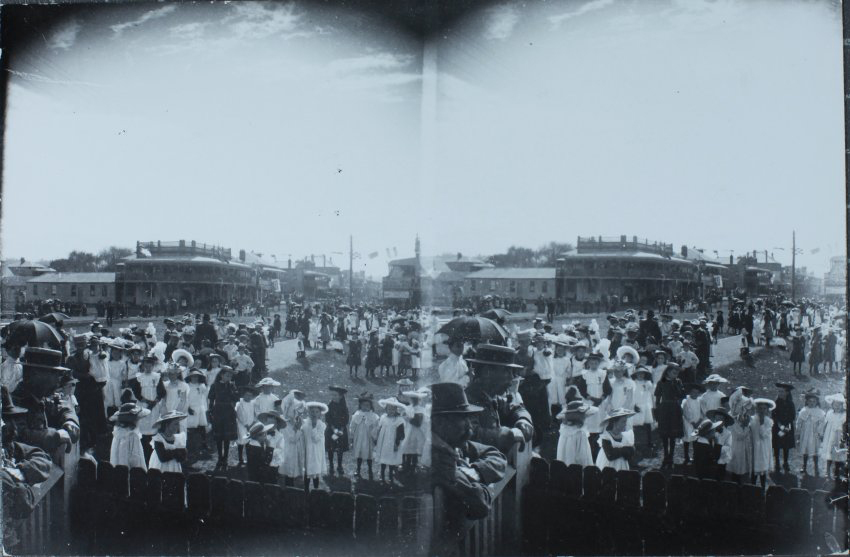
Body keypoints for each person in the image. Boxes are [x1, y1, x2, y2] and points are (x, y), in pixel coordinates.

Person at [430, 382, 507, 555]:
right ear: (438, 422)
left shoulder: (451, 443)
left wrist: (476, 471)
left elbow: (496, 456)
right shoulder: (437, 462)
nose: (470, 427)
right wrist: (485, 485)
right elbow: (480, 503)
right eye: (462, 419)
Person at [463, 344, 534, 454]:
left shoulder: (492, 395)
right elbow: (471, 434)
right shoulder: (468, 400)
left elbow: (515, 408)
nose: (512, 377)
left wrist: (523, 420)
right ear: (487, 372)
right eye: (507, 371)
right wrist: (509, 434)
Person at [1, 387, 53, 527]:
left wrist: (22, 471)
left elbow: (42, 457)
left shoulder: (9, 445)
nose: (12, 428)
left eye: (10, 419)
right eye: (4, 421)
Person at [11, 348, 79, 454]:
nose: (58, 379)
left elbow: (62, 408)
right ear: (33, 374)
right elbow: (20, 435)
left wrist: (70, 421)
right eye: (54, 373)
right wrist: (57, 436)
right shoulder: (15, 402)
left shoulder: (40, 396)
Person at [208, 367, 240, 470]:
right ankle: (219, 458)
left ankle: (225, 458)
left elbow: (236, 398)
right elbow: (211, 399)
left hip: (228, 411)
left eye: (230, 376)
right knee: (219, 436)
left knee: (226, 437)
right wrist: (210, 412)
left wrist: (232, 390)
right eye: (227, 375)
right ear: (221, 375)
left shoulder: (231, 385)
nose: (229, 377)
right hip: (218, 411)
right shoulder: (215, 385)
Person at [654, 363, 684, 469]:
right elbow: (657, 399)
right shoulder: (661, 382)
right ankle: (666, 455)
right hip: (664, 408)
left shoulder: (678, 382)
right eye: (673, 372)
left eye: (677, 372)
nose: (676, 374)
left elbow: (681, 395)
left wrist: (675, 384)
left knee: (673, 434)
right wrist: (657, 412)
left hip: (675, 409)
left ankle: (671, 457)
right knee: (664, 434)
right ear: (668, 371)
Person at [108, 400, 149, 470]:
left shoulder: (118, 433)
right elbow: (135, 458)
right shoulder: (132, 436)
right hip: (131, 471)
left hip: (118, 468)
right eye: (138, 419)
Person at [555, 400, 598, 467]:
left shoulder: (564, 430)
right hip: (577, 468)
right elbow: (583, 455)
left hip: (565, 466)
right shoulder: (580, 433)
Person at [375, 397, 406, 484]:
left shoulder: (399, 420)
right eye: (389, 409)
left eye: (393, 409)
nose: (391, 411)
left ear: (396, 409)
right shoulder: (383, 418)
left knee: (391, 460)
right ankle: (382, 475)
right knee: (383, 459)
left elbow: (401, 433)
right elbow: (379, 428)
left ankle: (391, 477)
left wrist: (397, 443)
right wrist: (377, 438)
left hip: (392, 443)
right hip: (383, 442)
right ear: (386, 409)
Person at [349, 392, 379, 480]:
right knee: (359, 453)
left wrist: (374, 436)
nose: (365, 407)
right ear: (360, 405)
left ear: (371, 406)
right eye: (363, 405)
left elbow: (376, 427)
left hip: (368, 437)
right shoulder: (357, 415)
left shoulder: (373, 416)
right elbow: (352, 426)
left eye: (367, 405)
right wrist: (352, 436)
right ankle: (358, 469)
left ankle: (370, 469)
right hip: (359, 437)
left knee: (369, 454)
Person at [796, 390, 825, 476]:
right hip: (805, 434)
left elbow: (822, 423)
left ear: (817, 402)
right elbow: (799, 422)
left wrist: (819, 432)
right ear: (807, 402)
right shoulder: (803, 411)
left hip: (814, 434)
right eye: (810, 401)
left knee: (815, 451)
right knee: (805, 450)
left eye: (814, 401)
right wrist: (799, 431)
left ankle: (816, 468)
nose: (812, 403)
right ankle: (804, 466)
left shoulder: (820, 412)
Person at [325, 386, 350, 477]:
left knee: (340, 448)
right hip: (331, 430)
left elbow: (346, 419)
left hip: (341, 430)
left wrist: (341, 430)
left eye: (335, 395)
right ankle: (331, 465)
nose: (333, 397)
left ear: (340, 396)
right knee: (331, 448)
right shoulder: (329, 406)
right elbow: (328, 419)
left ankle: (339, 465)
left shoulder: (344, 407)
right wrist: (333, 429)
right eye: (332, 395)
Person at [772, 383, 796, 474]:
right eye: (779, 391)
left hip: (787, 427)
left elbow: (792, 416)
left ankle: (785, 462)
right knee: (777, 445)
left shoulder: (790, 403)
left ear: (787, 393)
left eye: (782, 391)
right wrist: (779, 425)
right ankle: (777, 462)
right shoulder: (776, 403)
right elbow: (774, 416)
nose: (780, 393)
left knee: (786, 445)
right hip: (777, 427)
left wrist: (787, 426)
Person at [304, 401, 328, 489]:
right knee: (306, 470)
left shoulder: (321, 425)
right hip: (307, 450)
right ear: (309, 412)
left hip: (315, 451)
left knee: (315, 470)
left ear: (320, 414)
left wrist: (314, 427)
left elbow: (316, 438)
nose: (314, 414)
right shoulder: (305, 423)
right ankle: (306, 490)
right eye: (312, 411)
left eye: (317, 412)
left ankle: (316, 489)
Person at [401, 390, 427, 474]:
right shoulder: (409, 408)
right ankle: (406, 465)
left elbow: (418, 423)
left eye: (417, 400)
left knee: (415, 449)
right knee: (408, 448)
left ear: (420, 400)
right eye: (413, 399)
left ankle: (413, 466)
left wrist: (408, 418)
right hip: (408, 430)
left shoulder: (420, 410)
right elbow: (403, 416)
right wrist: (404, 416)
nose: (415, 401)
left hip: (416, 431)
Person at [821, 393, 846, 480]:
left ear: (842, 405)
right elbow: (826, 423)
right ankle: (827, 472)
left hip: (838, 435)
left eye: (839, 404)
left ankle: (836, 473)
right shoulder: (829, 413)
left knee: (837, 454)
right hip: (829, 435)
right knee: (829, 454)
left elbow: (843, 426)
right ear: (832, 405)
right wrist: (823, 433)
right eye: (835, 404)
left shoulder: (844, 415)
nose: (837, 406)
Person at [631, 366, 655, 454]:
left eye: (642, 373)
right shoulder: (633, 383)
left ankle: (649, 442)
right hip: (637, 405)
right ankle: (635, 443)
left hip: (646, 405)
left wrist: (651, 406)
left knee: (647, 424)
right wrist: (633, 405)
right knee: (636, 425)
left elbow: (650, 395)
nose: (640, 375)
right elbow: (631, 395)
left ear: (645, 375)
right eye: (639, 373)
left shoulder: (648, 383)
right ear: (636, 374)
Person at [185, 369, 209, 455]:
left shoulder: (202, 386)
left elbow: (204, 395)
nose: (195, 378)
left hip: (200, 407)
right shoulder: (187, 386)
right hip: (191, 408)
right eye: (193, 377)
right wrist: (188, 408)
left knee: (202, 427)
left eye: (197, 377)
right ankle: (192, 446)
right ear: (190, 378)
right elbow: (185, 398)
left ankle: (203, 444)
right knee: (192, 427)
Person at [752, 398, 774, 487]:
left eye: (764, 408)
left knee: (762, 468)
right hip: (754, 446)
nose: (762, 410)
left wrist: (761, 423)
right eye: (760, 408)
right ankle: (752, 487)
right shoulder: (752, 419)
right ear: (757, 409)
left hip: (763, 447)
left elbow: (763, 434)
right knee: (754, 467)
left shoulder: (769, 421)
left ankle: (762, 488)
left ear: (767, 410)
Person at [681, 383, 704, 466]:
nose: (695, 394)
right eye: (693, 392)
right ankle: (686, 457)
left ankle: (695, 456)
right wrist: (693, 422)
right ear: (690, 392)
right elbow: (686, 412)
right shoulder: (686, 401)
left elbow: (702, 411)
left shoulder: (700, 400)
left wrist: (699, 421)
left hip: (698, 423)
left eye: (697, 392)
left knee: (696, 440)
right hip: (688, 423)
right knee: (687, 439)